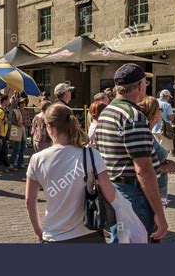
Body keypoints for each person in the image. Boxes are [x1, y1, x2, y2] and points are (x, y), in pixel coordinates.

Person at [96, 63, 168, 241]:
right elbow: (143, 169)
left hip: (112, 189)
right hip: (131, 193)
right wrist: (159, 213)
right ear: (141, 86)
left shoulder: (107, 112)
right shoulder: (133, 116)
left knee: (120, 240)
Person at [26, 103, 117, 243]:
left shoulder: (37, 159)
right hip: (89, 232)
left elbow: (30, 201)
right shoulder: (91, 154)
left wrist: (38, 231)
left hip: (54, 235)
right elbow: (110, 194)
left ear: (49, 128)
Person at [138, 96, 175, 210]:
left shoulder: (147, 133)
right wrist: (165, 168)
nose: (161, 113)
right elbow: (141, 168)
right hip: (150, 195)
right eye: (159, 110)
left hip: (157, 192)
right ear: (153, 114)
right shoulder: (144, 135)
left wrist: (166, 162)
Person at [10, 98, 27, 169]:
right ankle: (11, 163)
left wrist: (27, 123)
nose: (23, 104)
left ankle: (20, 162)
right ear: (19, 104)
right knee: (17, 148)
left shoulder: (25, 111)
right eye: (21, 103)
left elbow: (27, 120)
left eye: (23, 103)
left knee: (22, 148)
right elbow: (12, 121)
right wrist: (18, 123)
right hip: (17, 130)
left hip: (24, 130)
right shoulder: (15, 111)